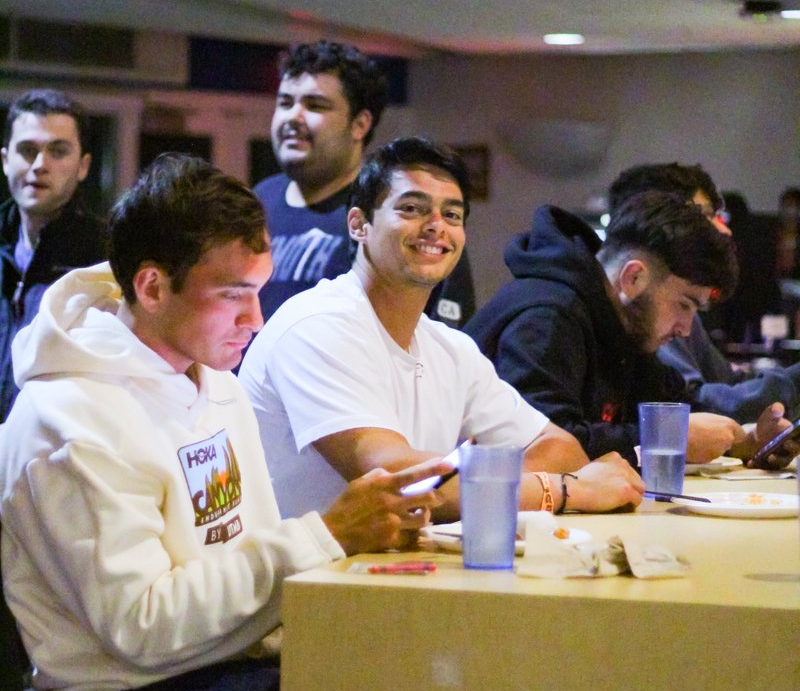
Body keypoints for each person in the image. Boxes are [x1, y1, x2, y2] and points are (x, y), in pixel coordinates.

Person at [0, 153, 442, 691]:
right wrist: (325, 536)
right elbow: (140, 629)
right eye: (235, 295)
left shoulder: (215, 383)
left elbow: (255, 553)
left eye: (259, 292)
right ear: (151, 286)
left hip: (218, 672)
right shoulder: (67, 421)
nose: (256, 319)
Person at [240, 136, 645, 520]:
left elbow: (561, 448)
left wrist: (469, 486)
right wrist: (565, 490)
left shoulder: (450, 348)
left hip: (394, 574)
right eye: (412, 209)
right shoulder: (320, 327)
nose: (436, 226)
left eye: (451, 214)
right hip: (301, 584)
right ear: (359, 224)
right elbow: (400, 485)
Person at [466, 189, 792, 468]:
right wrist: (664, 439)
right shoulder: (548, 317)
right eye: (684, 304)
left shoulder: (625, 326)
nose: (685, 328)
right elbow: (543, 447)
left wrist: (744, 440)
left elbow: (671, 404)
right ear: (633, 278)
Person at [253, 39, 476, 328]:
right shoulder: (258, 201)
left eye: (315, 105)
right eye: (285, 102)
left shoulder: (395, 211)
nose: (292, 117)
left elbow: (446, 334)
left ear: (360, 124)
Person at [607, 163, 800, 423]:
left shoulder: (675, 308)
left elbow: (726, 383)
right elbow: (691, 406)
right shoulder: (653, 304)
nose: (723, 229)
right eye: (706, 216)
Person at [0, 88, 106, 421]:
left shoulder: (104, 257)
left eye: (58, 151)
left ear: (83, 166)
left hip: (51, 455)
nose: (40, 165)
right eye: (27, 150)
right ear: (5, 160)